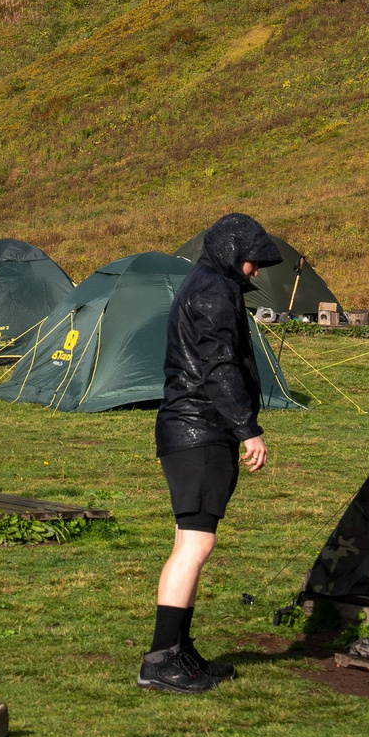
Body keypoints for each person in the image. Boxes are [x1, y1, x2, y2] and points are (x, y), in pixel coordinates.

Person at [139, 211, 283, 693]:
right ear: (230, 254)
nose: (256, 272)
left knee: (193, 541)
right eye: (251, 262)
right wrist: (248, 430)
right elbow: (218, 365)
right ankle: (160, 659)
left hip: (193, 430)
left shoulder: (205, 283)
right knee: (195, 543)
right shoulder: (212, 291)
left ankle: (178, 649)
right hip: (198, 430)